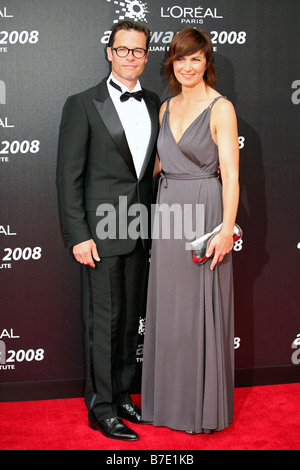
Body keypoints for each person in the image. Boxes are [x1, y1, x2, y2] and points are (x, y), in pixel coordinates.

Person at [57, 21, 160, 441]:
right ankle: (99, 407)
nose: (131, 57)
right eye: (123, 49)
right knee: (105, 323)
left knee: (130, 320)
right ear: (109, 53)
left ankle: (120, 395)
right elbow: (68, 178)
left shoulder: (155, 102)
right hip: (98, 235)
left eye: (138, 51)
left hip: (140, 230)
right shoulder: (82, 103)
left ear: (147, 56)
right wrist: (77, 235)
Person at [141, 27, 239, 434]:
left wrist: (226, 229)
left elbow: (231, 175)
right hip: (168, 211)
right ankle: (166, 403)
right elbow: (159, 164)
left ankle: (199, 408)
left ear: (207, 63)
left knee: (199, 309)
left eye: (195, 58)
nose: (187, 66)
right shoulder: (164, 108)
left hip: (204, 211)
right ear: (172, 63)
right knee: (170, 309)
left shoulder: (221, 108)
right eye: (180, 59)